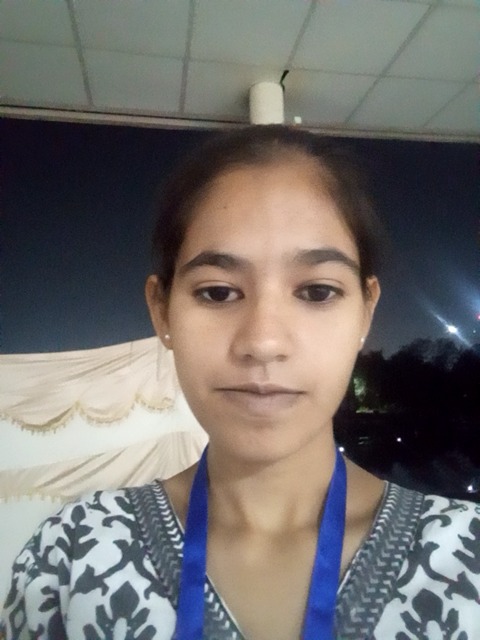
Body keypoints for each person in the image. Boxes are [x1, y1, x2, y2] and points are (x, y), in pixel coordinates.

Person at [1, 125, 479, 640]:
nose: (263, 342)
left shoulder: (465, 559)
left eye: (317, 291)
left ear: (365, 311)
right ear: (161, 310)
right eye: (217, 292)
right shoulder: (73, 555)